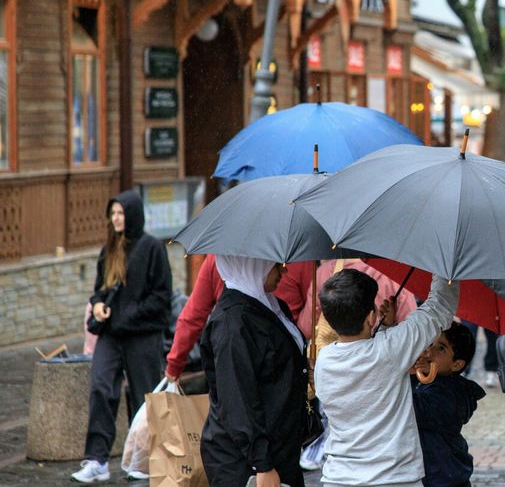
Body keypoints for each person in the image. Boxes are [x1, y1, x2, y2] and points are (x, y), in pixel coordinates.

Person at [316, 269, 459, 487]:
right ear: (371, 317)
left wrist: (387, 327)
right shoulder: (389, 349)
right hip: (394, 479)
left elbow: (369, 361)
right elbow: (439, 307)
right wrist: (445, 267)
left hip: (338, 478)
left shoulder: (324, 359)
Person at [73, 191, 173, 484]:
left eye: (120, 212)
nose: (115, 218)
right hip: (111, 336)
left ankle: (143, 458)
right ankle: (97, 460)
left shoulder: (153, 248)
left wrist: (125, 314)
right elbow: (100, 290)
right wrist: (101, 305)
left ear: (133, 214)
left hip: (143, 336)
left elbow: (161, 297)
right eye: (113, 213)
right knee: (101, 388)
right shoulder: (110, 250)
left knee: (144, 395)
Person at [199, 256, 308, 487]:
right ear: (252, 264)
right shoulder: (232, 324)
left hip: (278, 451)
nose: (284, 270)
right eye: (275, 264)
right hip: (246, 464)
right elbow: (238, 400)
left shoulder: (270, 305)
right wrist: (262, 463)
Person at [165, 254, 320, 384]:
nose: (283, 270)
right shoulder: (296, 257)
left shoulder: (220, 257)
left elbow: (193, 316)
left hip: (281, 365)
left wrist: (174, 365)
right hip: (281, 362)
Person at [411, 322, 486, 487]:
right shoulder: (432, 382)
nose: (429, 351)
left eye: (441, 348)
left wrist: (407, 375)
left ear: (457, 364)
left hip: (442, 477)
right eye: (431, 343)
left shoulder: (449, 395)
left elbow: (411, 408)